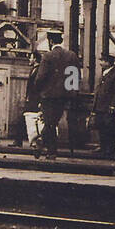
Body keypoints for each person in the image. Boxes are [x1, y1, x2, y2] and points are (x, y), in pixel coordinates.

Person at [33, 31, 80, 159]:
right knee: (53, 122)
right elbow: (75, 75)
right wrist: (72, 93)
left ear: (50, 42)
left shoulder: (48, 56)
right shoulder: (72, 55)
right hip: (66, 96)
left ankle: (49, 149)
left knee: (49, 123)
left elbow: (40, 77)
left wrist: (38, 91)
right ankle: (42, 144)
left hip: (49, 96)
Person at [92, 57, 115, 156]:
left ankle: (110, 148)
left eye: (103, 61)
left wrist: (113, 105)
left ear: (108, 62)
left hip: (108, 106)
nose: (101, 63)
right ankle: (103, 146)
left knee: (109, 127)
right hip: (100, 105)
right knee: (101, 126)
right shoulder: (104, 74)